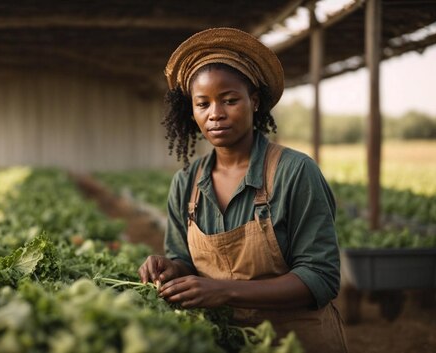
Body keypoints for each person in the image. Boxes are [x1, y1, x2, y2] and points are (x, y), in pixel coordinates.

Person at [138, 28, 348, 352]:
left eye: (230, 100)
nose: (215, 114)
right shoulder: (186, 184)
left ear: (254, 101)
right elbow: (183, 259)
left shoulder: (295, 173)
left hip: (297, 342)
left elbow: (320, 277)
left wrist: (223, 291)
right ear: (191, 112)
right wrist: (170, 268)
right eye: (202, 104)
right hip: (221, 341)